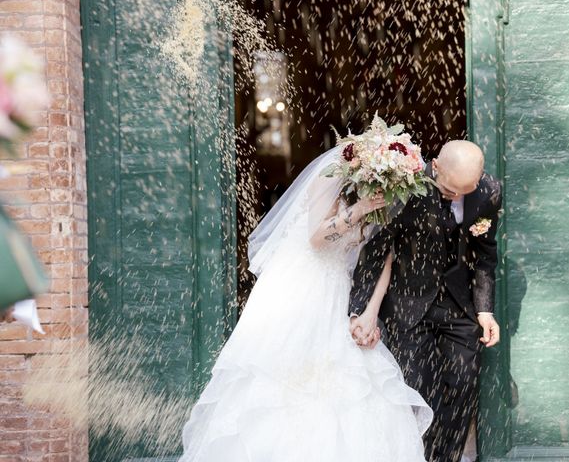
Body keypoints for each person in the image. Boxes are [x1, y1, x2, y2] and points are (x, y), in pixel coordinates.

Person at [178, 146, 432, 462]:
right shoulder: (331, 176)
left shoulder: (380, 200)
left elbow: (385, 255)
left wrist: (369, 311)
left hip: (336, 287)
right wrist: (362, 207)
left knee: (340, 373)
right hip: (300, 283)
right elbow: (316, 237)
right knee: (283, 374)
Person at [349, 140, 502, 462]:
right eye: (449, 189)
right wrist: (361, 310)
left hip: (461, 307)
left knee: (461, 386)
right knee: (416, 389)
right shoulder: (405, 188)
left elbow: (486, 254)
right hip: (408, 305)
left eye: (466, 190)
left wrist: (485, 310)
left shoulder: (489, 191)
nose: (457, 196)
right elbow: (377, 250)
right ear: (436, 166)